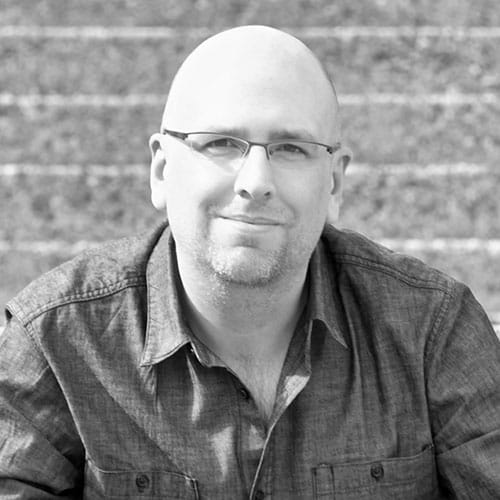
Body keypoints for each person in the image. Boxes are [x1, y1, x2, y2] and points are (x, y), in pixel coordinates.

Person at [0, 25, 499, 499]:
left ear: (334, 183)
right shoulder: (57, 342)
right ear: (162, 170)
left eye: (291, 148)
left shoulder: (431, 332)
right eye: (220, 143)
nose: (255, 181)